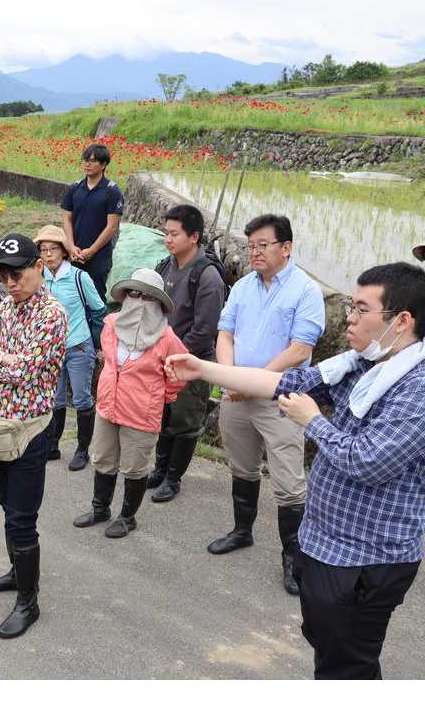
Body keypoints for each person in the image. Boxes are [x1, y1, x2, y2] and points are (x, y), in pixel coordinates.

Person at [166, 262, 425, 680]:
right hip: (325, 544)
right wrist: (202, 368)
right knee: (328, 645)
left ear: (401, 321)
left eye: (361, 309)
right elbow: (287, 382)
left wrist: (313, 422)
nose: (348, 319)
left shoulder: (416, 386)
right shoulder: (363, 365)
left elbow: (368, 461)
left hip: (366, 559)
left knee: (348, 665)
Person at [211, 214, 325, 595]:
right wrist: (230, 377)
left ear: (286, 247)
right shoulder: (242, 287)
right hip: (236, 395)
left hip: (281, 399)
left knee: (289, 482)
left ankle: (293, 559)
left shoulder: (305, 290)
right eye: (251, 246)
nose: (254, 252)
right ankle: (242, 530)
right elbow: (225, 332)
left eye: (263, 245)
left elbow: (300, 349)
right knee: (241, 466)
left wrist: (253, 381)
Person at [0, 233, 67, 639]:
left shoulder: (52, 314)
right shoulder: (7, 308)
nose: (11, 282)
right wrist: (5, 359)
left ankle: (29, 601)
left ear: (39, 267)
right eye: (4, 274)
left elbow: (26, 369)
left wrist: (5, 361)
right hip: (1, 426)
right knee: (6, 503)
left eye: (19, 272)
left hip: (31, 429)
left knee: (22, 518)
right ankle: (16, 572)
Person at [73, 269, 187, 538]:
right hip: (108, 406)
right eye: (134, 293)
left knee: (135, 467)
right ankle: (100, 508)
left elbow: (180, 373)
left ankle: (127, 517)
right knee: (102, 458)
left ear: (157, 302)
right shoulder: (112, 325)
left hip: (140, 413)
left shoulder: (167, 337)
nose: (139, 300)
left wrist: (159, 396)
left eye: (147, 296)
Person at [147, 204, 226, 502]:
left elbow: (205, 330)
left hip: (192, 362)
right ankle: (159, 468)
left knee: (186, 421)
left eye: (174, 234)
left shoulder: (207, 277)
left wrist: (172, 355)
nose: (168, 239)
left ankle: (173, 478)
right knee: (165, 416)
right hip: (164, 359)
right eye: (165, 233)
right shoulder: (165, 266)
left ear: (194, 237)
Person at [35, 225, 105, 469]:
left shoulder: (78, 277)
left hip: (78, 347)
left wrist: (95, 344)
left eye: (53, 249)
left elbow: (98, 309)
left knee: (83, 399)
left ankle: (82, 450)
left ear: (64, 251)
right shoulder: (40, 278)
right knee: (55, 399)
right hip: (52, 350)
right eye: (43, 250)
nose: (48, 255)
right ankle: (53, 445)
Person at [60, 143, 124, 302]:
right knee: (72, 295)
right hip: (74, 253)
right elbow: (67, 218)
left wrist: (92, 250)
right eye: (85, 160)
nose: (87, 164)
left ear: (103, 165)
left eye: (93, 161)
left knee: (96, 297)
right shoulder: (75, 188)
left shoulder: (111, 191)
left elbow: (112, 226)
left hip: (99, 256)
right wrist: (71, 246)